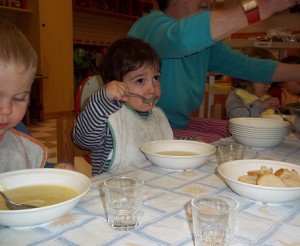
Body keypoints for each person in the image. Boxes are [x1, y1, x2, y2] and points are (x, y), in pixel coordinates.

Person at [127, 0, 300, 141]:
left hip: (176, 124)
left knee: (236, 132)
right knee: (219, 146)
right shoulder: (150, 26)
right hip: (143, 129)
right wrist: (267, 5)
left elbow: (250, 67)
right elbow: (181, 38)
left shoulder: (206, 46)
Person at [73, 38, 173, 175]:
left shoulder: (157, 115)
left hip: (154, 187)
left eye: (156, 78)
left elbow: (167, 145)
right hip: (115, 191)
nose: (152, 89)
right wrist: (104, 98)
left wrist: (191, 142)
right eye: (140, 80)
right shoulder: (110, 118)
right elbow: (83, 139)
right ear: (115, 85)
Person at [0, 20, 74, 172]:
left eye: (19, 98)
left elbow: (34, 170)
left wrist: (55, 170)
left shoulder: (20, 134)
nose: (6, 110)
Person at [226, 47, 280, 118]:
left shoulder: (265, 98)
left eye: (270, 81)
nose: (268, 85)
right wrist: (261, 105)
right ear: (245, 78)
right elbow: (234, 114)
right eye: (264, 80)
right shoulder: (237, 95)